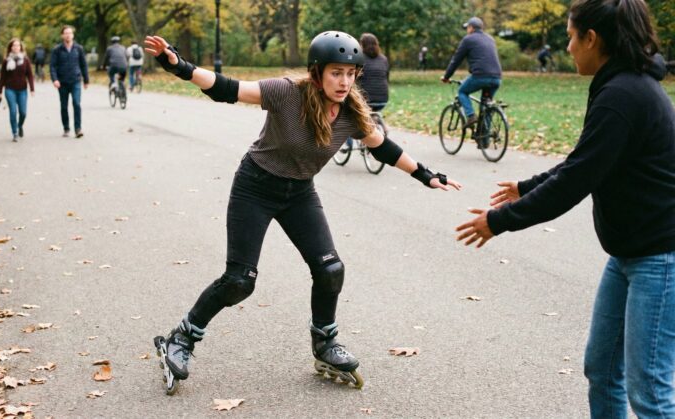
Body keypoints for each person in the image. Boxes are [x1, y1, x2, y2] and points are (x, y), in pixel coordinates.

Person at [144, 31, 462, 395]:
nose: (344, 82)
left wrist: (425, 174)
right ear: (316, 72)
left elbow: (382, 147)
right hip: (255, 187)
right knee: (239, 281)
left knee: (330, 269)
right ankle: (182, 337)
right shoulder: (286, 93)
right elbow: (227, 88)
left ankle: (325, 342)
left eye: (351, 73)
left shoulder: (352, 112)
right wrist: (179, 66)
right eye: (336, 73)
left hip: (299, 193)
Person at [456, 0, 675, 417]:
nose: (568, 47)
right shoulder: (621, 85)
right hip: (630, 253)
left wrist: (498, 221)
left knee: (648, 390)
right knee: (603, 370)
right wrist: (527, 187)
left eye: (572, 37)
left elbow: (576, 181)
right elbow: (587, 160)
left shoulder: (623, 94)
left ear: (592, 39)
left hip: (660, 257)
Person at [441, 17, 502, 130]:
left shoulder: (468, 39)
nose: (466, 30)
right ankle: (484, 136)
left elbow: (456, 60)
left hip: (480, 76)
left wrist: (446, 77)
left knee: (462, 91)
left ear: (471, 28)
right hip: (497, 78)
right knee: (486, 105)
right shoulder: (490, 39)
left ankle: (470, 116)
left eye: (467, 28)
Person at [50, 25, 89, 138]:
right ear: (62, 35)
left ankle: (78, 129)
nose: (68, 35)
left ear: (73, 35)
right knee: (64, 106)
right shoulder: (57, 50)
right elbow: (53, 66)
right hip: (62, 82)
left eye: (70, 33)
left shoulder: (78, 48)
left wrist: (86, 80)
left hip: (75, 80)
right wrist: (55, 79)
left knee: (76, 103)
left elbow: (83, 64)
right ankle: (66, 128)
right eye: (66, 33)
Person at [0, 38, 34, 142]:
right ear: (11, 48)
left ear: (20, 47)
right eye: (14, 45)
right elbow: (2, 77)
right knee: (13, 111)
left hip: (22, 90)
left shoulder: (25, 60)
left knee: (23, 113)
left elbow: (30, 75)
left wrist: (32, 88)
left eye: (18, 45)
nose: (16, 47)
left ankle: (19, 125)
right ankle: (15, 133)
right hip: (10, 89)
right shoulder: (6, 60)